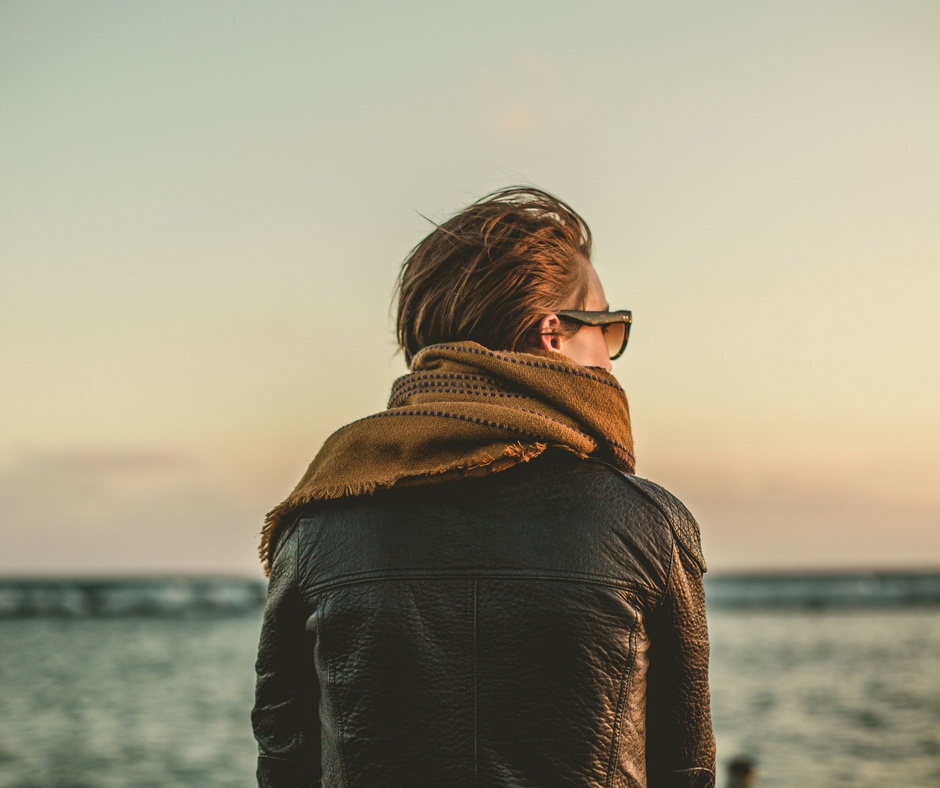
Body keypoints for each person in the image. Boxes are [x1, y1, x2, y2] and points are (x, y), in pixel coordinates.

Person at [252, 187, 716, 788]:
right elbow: (687, 769)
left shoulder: (313, 526)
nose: (610, 356)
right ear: (555, 333)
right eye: (610, 328)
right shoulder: (650, 526)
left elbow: (284, 757)